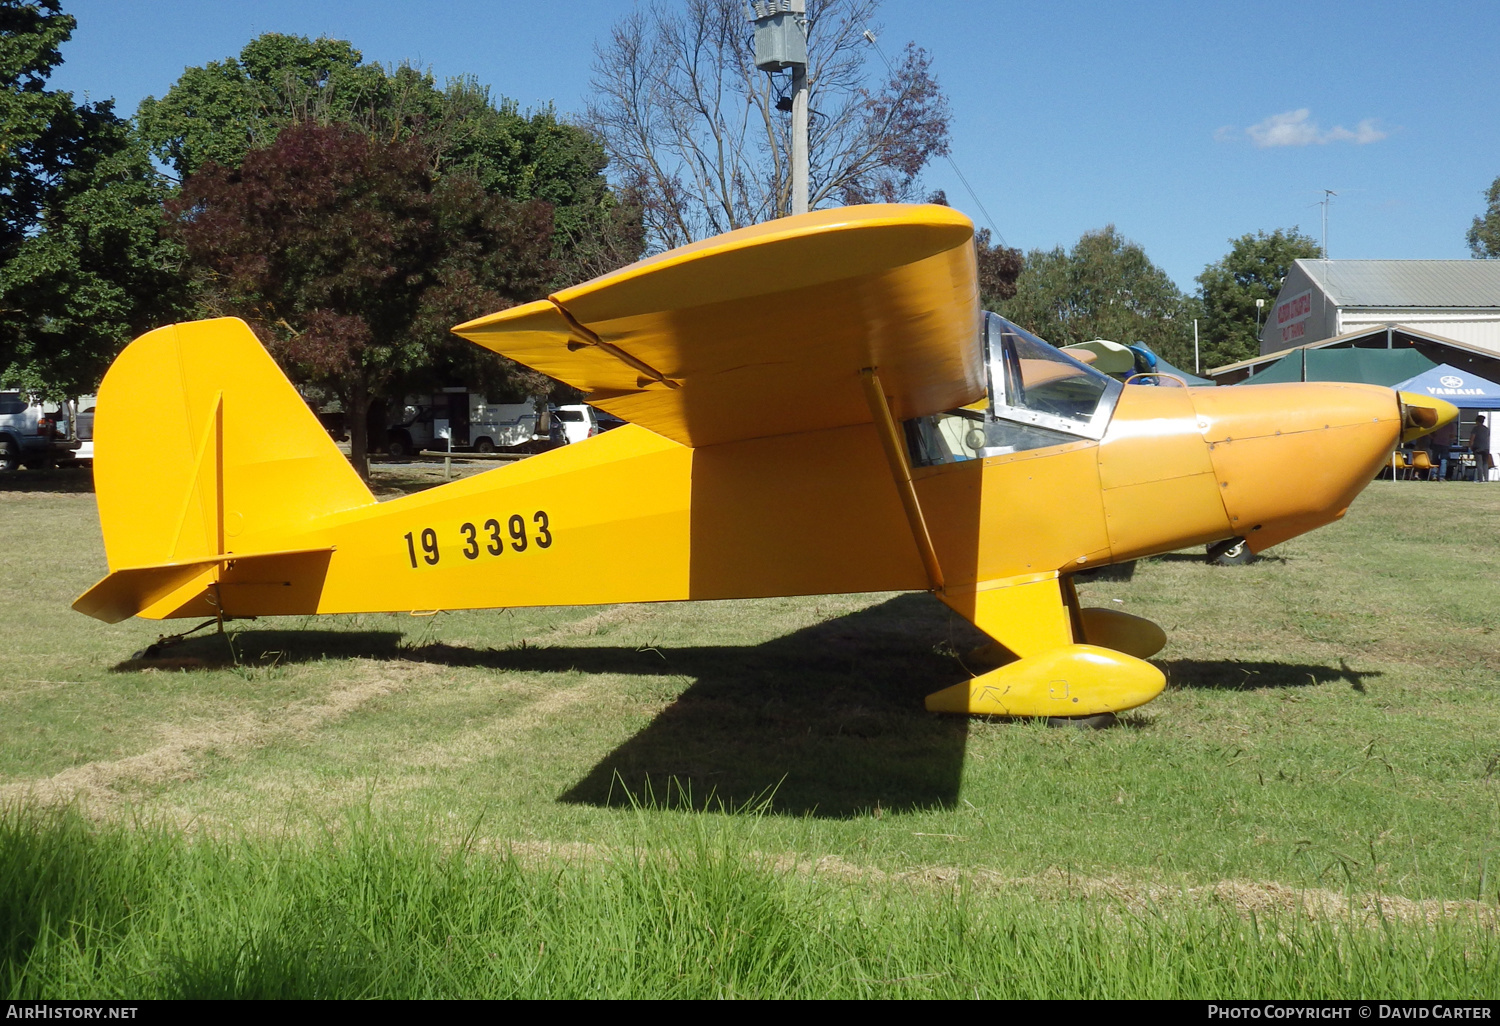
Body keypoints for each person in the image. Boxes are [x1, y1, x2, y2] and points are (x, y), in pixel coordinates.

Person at [1471, 414, 1493, 482]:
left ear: (1477, 421)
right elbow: (1487, 437)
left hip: (1477, 448)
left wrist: (1470, 445)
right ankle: (1486, 479)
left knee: (1479, 464)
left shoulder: (1475, 428)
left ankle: (1480, 479)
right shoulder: (1486, 429)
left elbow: (1472, 438)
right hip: (1486, 448)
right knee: (1485, 463)